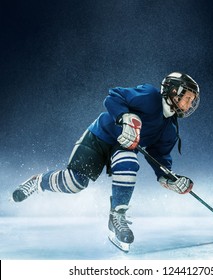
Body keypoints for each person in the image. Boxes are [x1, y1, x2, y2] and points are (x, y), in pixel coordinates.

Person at [12, 72, 200, 252]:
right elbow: (114, 96)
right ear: (173, 91)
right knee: (75, 182)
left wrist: (169, 178)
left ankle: (117, 216)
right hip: (100, 136)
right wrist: (124, 116)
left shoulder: (171, 130)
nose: (189, 104)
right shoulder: (150, 96)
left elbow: (159, 156)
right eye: (187, 97)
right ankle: (38, 182)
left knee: (128, 162)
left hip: (124, 146)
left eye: (192, 100)